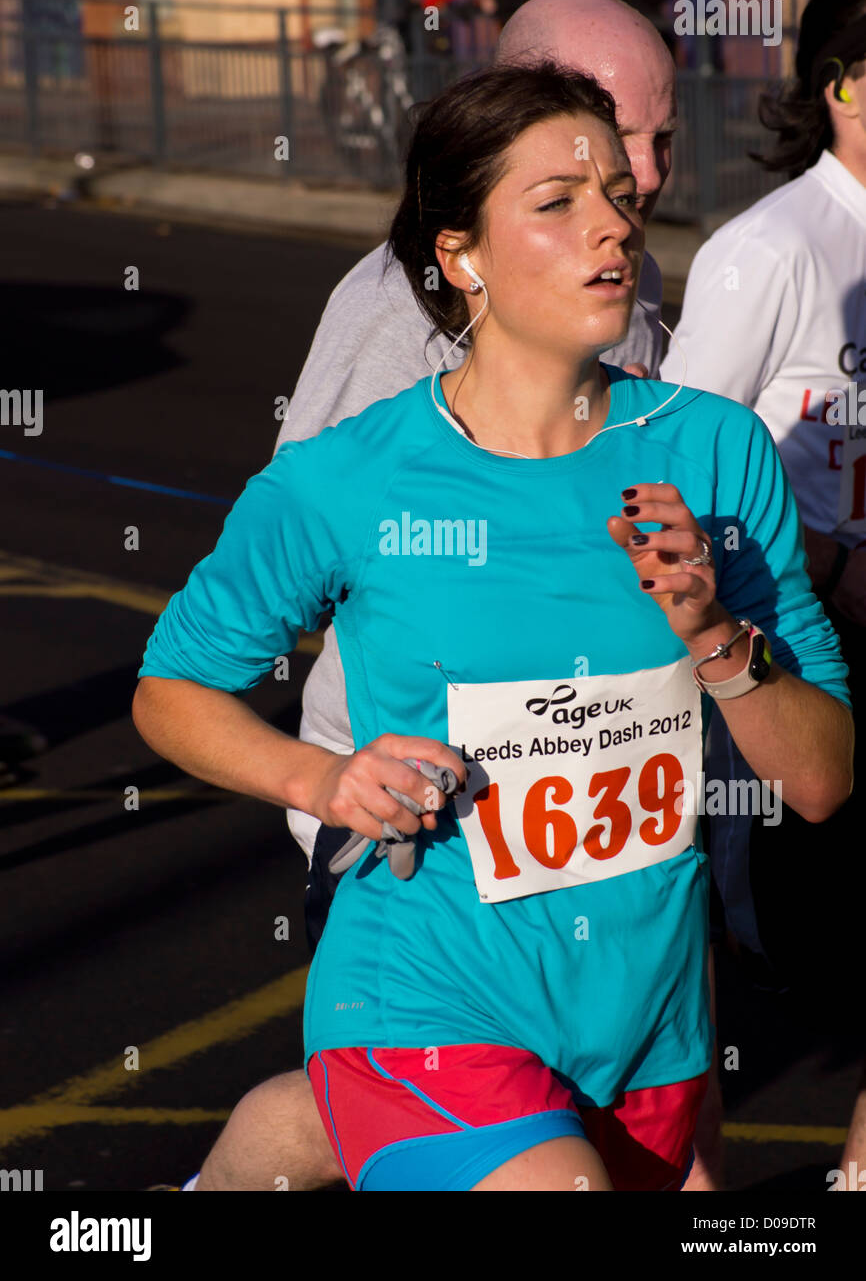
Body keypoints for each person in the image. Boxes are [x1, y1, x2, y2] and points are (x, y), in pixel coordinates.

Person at [134, 58, 853, 1192]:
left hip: (640, 1019)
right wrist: (319, 784)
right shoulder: (347, 482)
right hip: (423, 984)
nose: (611, 228)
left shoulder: (712, 452)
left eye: (618, 192)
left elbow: (817, 781)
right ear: (458, 254)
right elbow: (169, 689)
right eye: (557, 204)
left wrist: (713, 632)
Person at [173, 0, 695, 1195]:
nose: (650, 176)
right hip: (418, 819)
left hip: (588, 802)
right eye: (620, 139)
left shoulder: (626, 265)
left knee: (360, 1106)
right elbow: (296, 542)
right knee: (475, 1109)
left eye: (662, 144)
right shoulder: (400, 313)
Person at [659, 0, 866, 1183]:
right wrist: (817, 557)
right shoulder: (770, 249)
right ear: (846, 88)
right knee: (731, 962)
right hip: (784, 659)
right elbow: (669, 472)